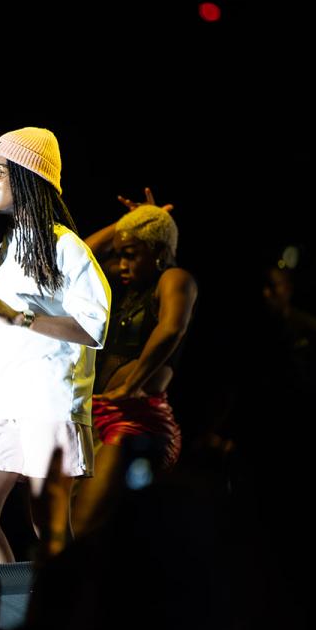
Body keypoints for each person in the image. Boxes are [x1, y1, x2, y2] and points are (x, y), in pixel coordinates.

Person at [0, 126, 111, 565]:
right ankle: (6, 605)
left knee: (46, 526)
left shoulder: (65, 246)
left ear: (29, 176)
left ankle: (67, 605)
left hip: (47, 401)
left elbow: (94, 327)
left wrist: (24, 318)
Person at [70, 199, 198, 535]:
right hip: (99, 414)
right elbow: (81, 256)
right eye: (120, 255)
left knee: (88, 524)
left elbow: (171, 328)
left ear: (158, 251)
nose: (122, 264)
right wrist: (128, 222)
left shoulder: (174, 278)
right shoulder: (128, 285)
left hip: (137, 418)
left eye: (130, 254)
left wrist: (131, 386)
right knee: (78, 524)